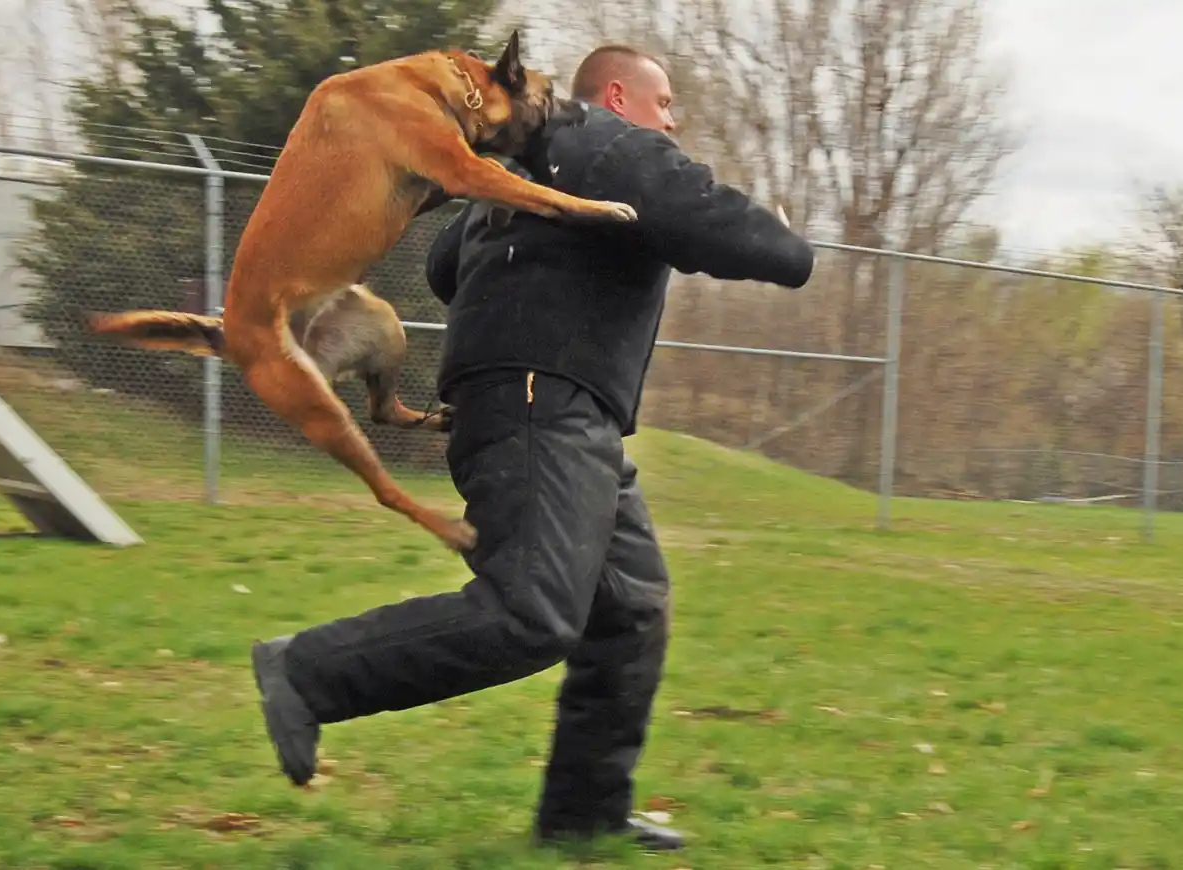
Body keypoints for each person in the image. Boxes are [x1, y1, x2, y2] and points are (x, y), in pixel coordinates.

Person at [250, 44, 817, 852]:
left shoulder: (525, 170)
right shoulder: (611, 144)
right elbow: (719, 226)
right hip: (539, 402)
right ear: (616, 96)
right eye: (664, 104)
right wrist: (786, 242)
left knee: (630, 607)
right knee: (532, 611)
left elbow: (446, 265)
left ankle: (584, 814)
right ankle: (308, 670)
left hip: (552, 407)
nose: (671, 122)